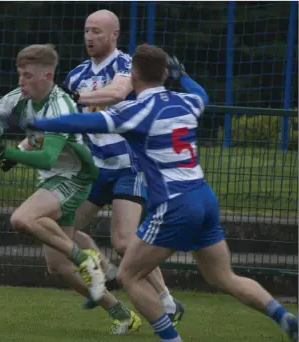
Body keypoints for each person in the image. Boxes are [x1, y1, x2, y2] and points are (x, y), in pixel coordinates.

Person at [25, 43, 298, 342]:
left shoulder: (136, 111)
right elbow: (203, 95)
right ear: (166, 73)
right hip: (204, 198)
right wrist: (184, 77)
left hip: (174, 203)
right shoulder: (187, 102)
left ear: (134, 74)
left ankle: (172, 339)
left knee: (129, 276)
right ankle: (282, 316)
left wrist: (37, 123)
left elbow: (83, 120)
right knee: (224, 277)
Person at [0, 44, 142, 334]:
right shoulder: (18, 97)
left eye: (27, 76)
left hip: (75, 177)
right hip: (52, 178)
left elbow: (47, 157)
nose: (21, 81)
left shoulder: (61, 105)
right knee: (57, 267)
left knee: (23, 219)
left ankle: (86, 258)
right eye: (19, 75)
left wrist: (7, 153)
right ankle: (122, 314)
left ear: (46, 75)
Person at [56, 9, 185, 328]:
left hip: (129, 165)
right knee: (65, 231)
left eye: (97, 31)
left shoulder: (127, 65)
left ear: (114, 35)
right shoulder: (76, 74)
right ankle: (106, 273)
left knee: (125, 242)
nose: (89, 37)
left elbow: (117, 94)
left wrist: (75, 99)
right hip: (93, 168)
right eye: (86, 30)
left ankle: (167, 300)